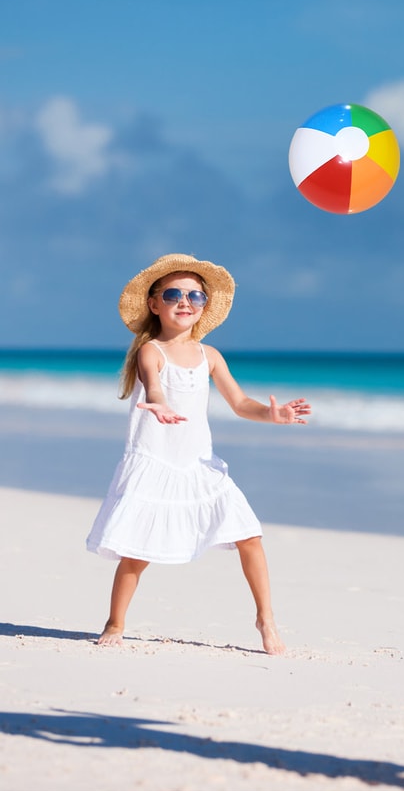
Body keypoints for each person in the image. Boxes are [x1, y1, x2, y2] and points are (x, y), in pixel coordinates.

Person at [86, 253, 311, 655]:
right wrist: (159, 402)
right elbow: (154, 385)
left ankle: (266, 620)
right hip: (155, 462)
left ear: (205, 305)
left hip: (199, 465)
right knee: (137, 554)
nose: (185, 300)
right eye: (173, 293)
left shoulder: (211, 357)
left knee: (250, 536)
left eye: (196, 295)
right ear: (155, 304)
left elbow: (241, 404)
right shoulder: (151, 351)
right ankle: (115, 622)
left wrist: (273, 414)